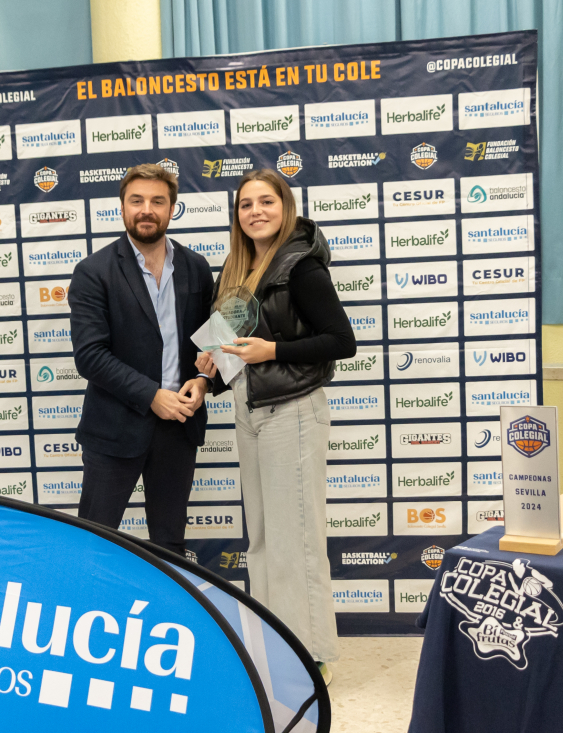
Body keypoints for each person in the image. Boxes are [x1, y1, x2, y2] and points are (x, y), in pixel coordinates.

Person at [197, 169, 355, 684]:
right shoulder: (238, 269)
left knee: (296, 540)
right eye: (246, 204)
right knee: (263, 539)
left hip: (292, 411)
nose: (255, 212)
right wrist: (207, 374)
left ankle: (311, 657)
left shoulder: (300, 266)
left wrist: (273, 350)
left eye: (266, 202)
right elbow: (232, 351)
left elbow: (341, 341)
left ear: (285, 208)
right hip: (250, 409)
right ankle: (274, 644)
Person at [69, 163, 215, 555]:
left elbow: (211, 346)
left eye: (157, 201)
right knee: (94, 542)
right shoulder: (93, 272)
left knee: (170, 546)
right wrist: (151, 395)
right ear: (122, 207)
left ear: (172, 209)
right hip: (113, 429)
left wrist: (204, 381)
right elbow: (90, 355)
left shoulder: (196, 268)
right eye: (137, 201)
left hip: (179, 428)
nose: (146, 210)